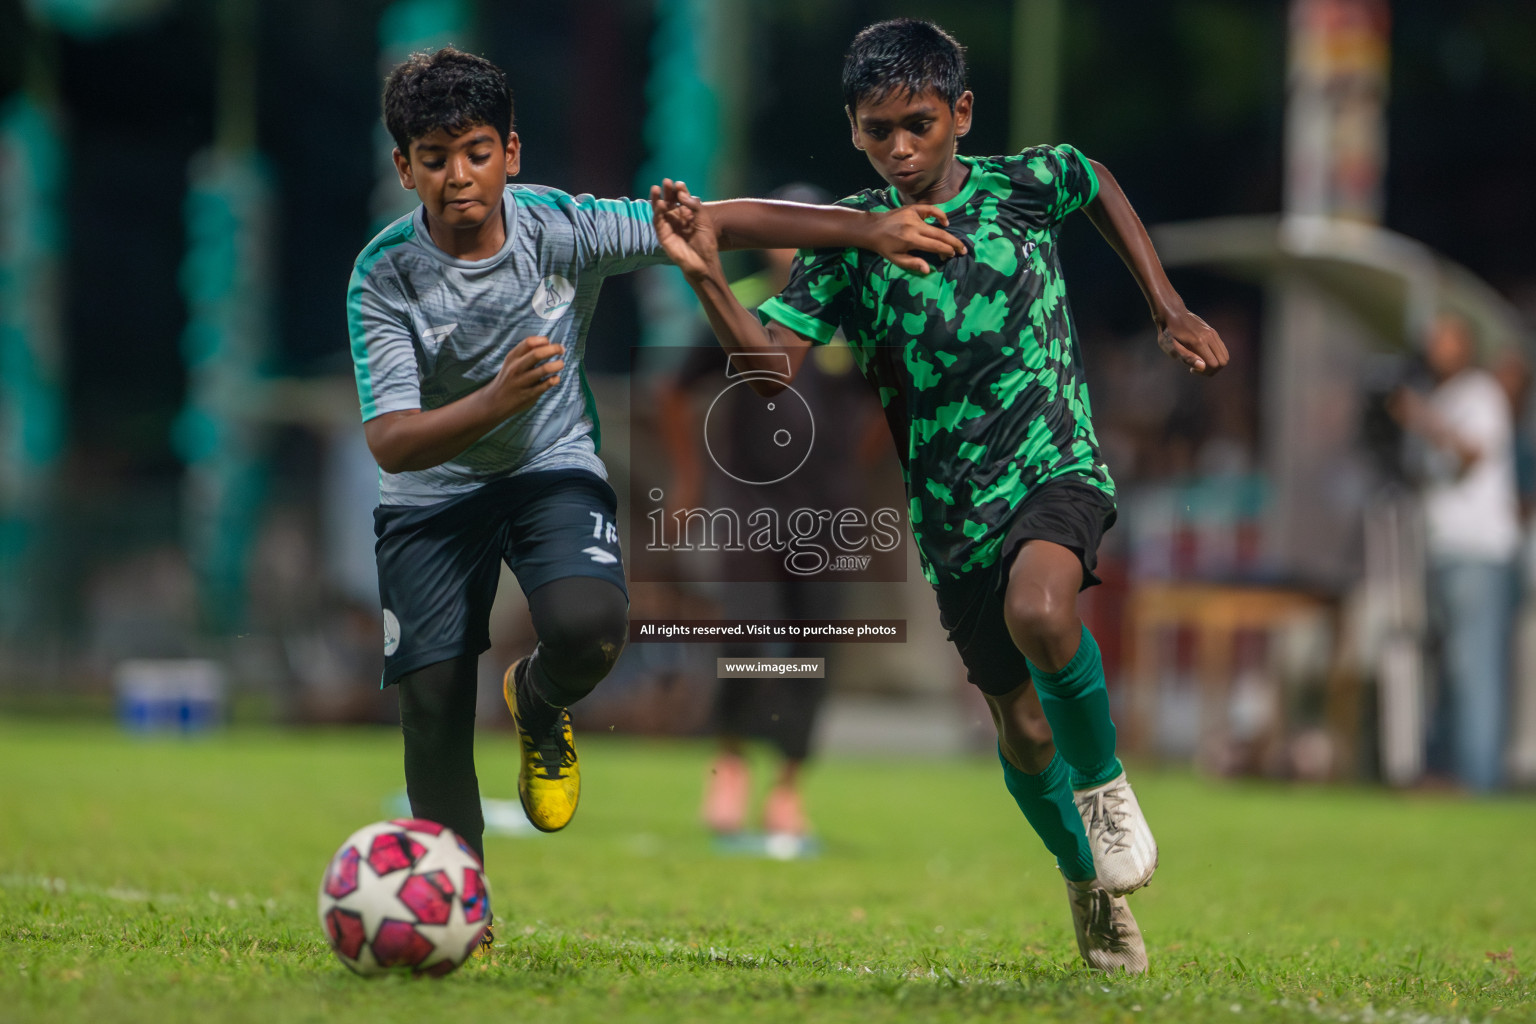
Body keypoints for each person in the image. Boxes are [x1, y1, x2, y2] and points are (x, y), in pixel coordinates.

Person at [349, 47, 968, 949]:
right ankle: (462, 913)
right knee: (435, 699)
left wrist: (870, 232)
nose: (457, 176)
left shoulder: (562, 227)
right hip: (427, 496)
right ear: (404, 167)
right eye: (433, 157)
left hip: (546, 469)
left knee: (590, 624)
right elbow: (391, 437)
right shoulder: (384, 275)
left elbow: (726, 219)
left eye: (476, 150)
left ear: (510, 152)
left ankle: (541, 698)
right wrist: (494, 399)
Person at [650, 20, 1228, 973]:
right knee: (1020, 722)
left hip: (1054, 462)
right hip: (953, 515)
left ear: (961, 112)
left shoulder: (1021, 186)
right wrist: (709, 276)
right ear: (854, 132)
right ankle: (1086, 882)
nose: (902, 148)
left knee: (1044, 610)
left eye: (919, 123)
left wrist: (1166, 303)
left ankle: (1106, 785)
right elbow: (765, 372)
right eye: (879, 132)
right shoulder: (846, 245)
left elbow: (1094, 181)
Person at [656, 184, 875, 841]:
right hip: (749, 503)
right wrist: (690, 479)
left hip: (830, 512)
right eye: (786, 228)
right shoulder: (739, 300)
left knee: (815, 646)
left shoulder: (855, 311)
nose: (795, 243)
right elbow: (672, 389)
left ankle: (788, 787)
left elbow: (890, 402)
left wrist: (854, 469)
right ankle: (729, 760)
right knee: (749, 636)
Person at [1391, 314, 1521, 791]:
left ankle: (1479, 782)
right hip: (1444, 549)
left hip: (1479, 551)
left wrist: (1421, 419)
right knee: (1448, 672)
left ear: (1466, 344)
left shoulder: (1480, 393)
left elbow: (1473, 456)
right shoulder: (1442, 397)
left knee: (1475, 669)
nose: (1435, 346)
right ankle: (1452, 777)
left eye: (1445, 337)